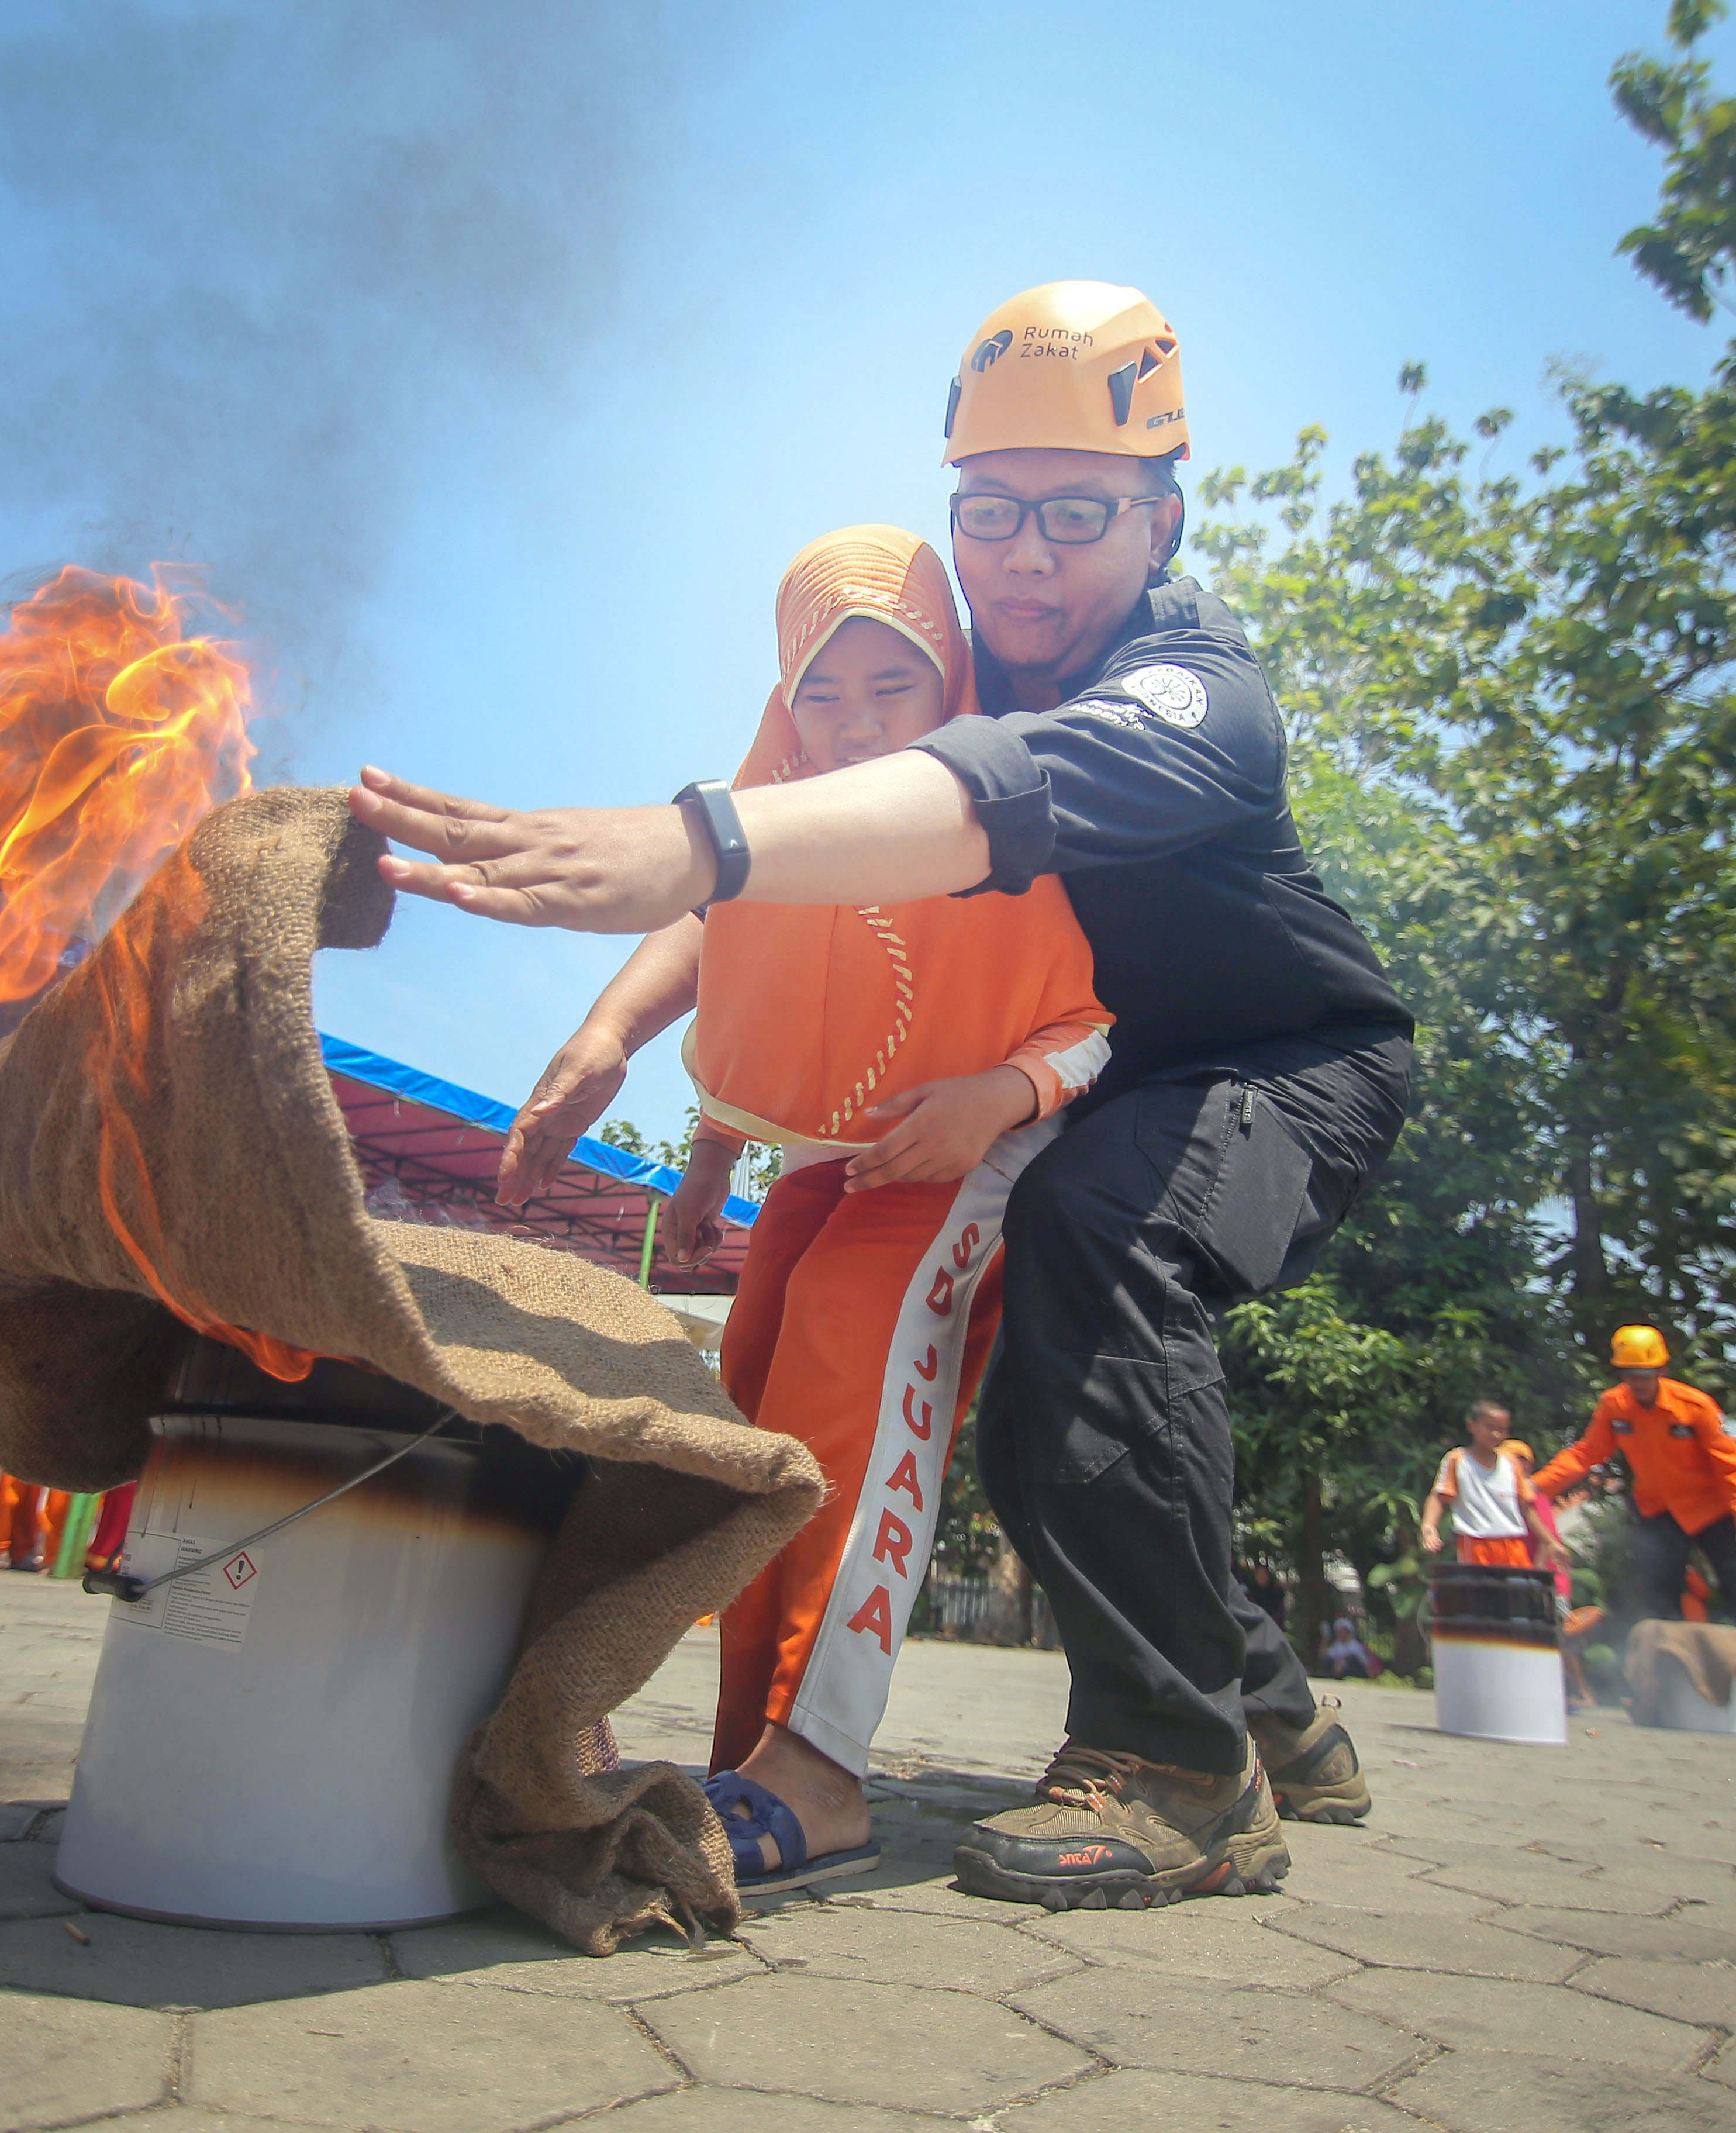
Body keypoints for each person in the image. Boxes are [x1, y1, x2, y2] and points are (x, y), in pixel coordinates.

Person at [365, 283, 1415, 1909]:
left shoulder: (1193, 689)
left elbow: (975, 801)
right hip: (1068, 1084)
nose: (1027, 557)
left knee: (1096, 1246)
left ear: (1162, 518)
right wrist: (624, 1026)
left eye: (1077, 514)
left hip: (1272, 1067)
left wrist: (693, 839)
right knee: (1041, 1425)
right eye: (990, 511)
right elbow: (795, 875)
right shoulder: (926, 656)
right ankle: (1276, 1712)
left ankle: (1182, 1772)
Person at [667, 525, 1116, 1893]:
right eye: (823, 693)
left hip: (968, 1142)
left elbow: (1105, 1017)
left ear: (951, 685)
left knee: (845, 1343)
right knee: (752, 1389)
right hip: (828, 1156)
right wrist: (709, 1157)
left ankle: (820, 1764)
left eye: (893, 686)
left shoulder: (1007, 811)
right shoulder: (788, 827)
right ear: (783, 706)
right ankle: (747, 1752)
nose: (856, 724)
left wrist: (1003, 1093)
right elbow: (750, 992)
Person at [1528, 1326, 1736, 1646]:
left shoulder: (1695, 1407)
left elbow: (1732, 1467)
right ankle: (1668, 1668)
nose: (1638, 1382)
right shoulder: (1614, 1406)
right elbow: (1585, 1454)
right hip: (1659, 1513)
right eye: (1629, 1374)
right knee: (1657, 1598)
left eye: (1645, 1374)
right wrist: (1536, 1487)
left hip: (1712, 1512)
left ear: (1661, 1369)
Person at [1419, 1399, 1565, 1569]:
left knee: (1517, 1585)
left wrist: (1550, 1542)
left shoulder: (1511, 1464)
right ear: (1472, 1425)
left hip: (1512, 1544)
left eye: (1502, 1430)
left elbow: (1525, 1507)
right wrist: (1429, 1525)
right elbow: (1439, 1497)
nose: (1496, 1435)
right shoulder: (1457, 1460)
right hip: (1476, 1544)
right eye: (1490, 1428)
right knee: (1481, 1586)